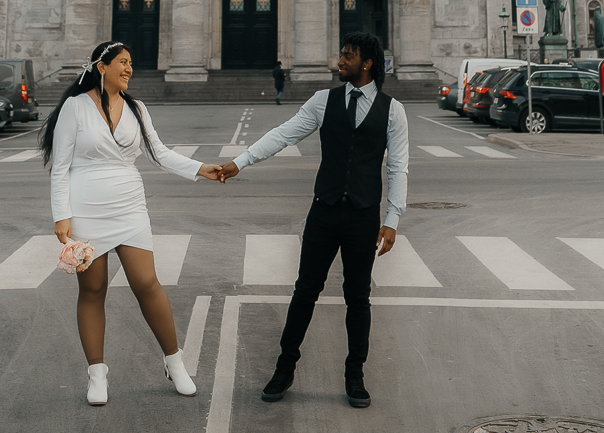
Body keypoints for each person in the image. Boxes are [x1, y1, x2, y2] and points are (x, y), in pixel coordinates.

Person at [219, 32, 409, 410]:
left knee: (359, 299)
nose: (339, 61)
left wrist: (392, 219)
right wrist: (240, 162)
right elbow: (283, 135)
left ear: (367, 63)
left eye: (347, 56)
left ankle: (355, 376)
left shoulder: (393, 110)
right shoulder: (324, 101)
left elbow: (398, 168)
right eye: (340, 55)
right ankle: (284, 368)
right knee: (305, 291)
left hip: (363, 217)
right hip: (323, 212)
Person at [41, 41, 224, 407]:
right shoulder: (74, 108)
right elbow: (60, 165)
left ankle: (174, 361)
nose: (129, 69)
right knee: (92, 292)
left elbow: (159, 153)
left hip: (129, 205)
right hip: (86, 206)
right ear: (102, 67)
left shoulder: (137, 108)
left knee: (147, 283)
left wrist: (200, 168)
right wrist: (61, 214)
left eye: (130, 64)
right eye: (123, 63)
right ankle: (97, 374)